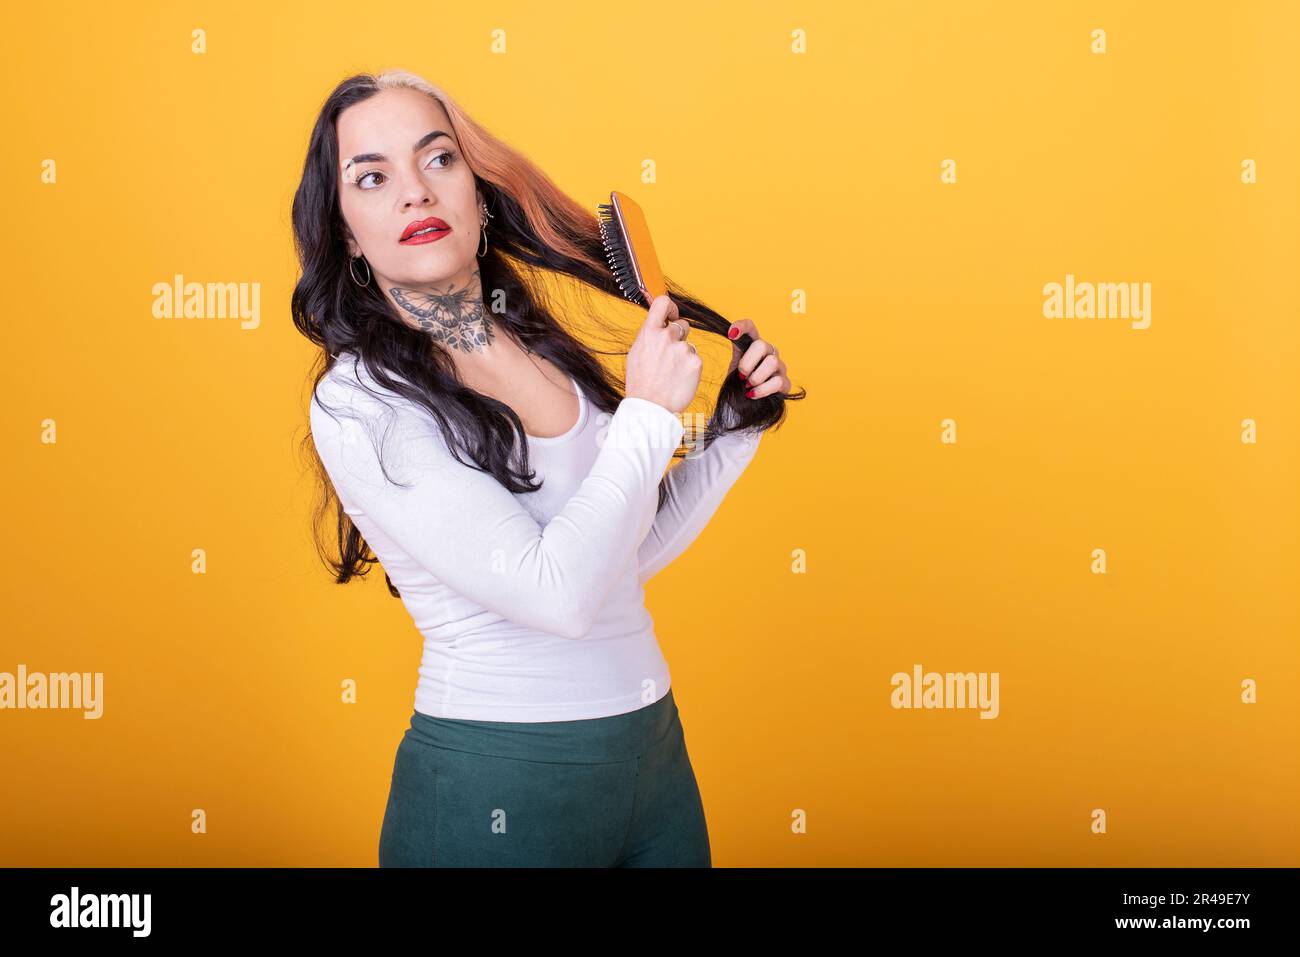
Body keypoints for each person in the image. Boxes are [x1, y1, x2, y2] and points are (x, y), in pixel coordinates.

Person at [290, 70, 798, 867]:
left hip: (653, 760)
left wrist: (731, 429)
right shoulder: (361, 402)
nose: (415, 194)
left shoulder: (535, 348)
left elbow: (616, 558)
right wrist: (650, 415)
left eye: (439, 160)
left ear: (479, 193)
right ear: (348, 231)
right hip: (496, 779)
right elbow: (556, 594)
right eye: (373, 177)